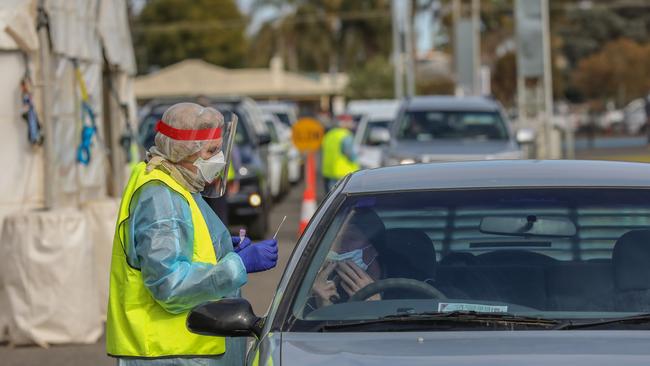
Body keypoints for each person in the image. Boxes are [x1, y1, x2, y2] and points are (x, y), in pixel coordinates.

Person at [106, 103, 278, 365]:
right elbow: (169, 285)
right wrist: (236, 266)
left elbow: (183, 246)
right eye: (211, 151)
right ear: (182, 151)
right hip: (172, 353)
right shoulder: (160, 198)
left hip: (186, 350)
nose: (218, 159)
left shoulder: (178, 183)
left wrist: (222, 249)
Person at [311, 208, 385, 308]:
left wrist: (376, 307)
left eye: (350, 239)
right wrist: (323, 307)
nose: (339, 250)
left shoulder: (403, 281)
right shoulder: (324, 285)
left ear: (373, 248)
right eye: (334, 242)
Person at [321, 114, 360, 192]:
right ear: (345, 123)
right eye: (350, 121)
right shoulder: (345, 136)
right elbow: (350, 155)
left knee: (331, 200)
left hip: (329, 172)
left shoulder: (329, 134)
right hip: (344, 174)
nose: (352, 123)